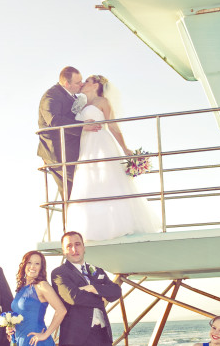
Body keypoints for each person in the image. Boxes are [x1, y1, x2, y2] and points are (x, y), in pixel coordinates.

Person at [66, 75, 161, 241]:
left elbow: (112, 125)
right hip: (85, 146)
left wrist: (124, 148)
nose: (83, 84)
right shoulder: (81, 105)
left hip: (101, 143)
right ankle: (90, 228)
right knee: (89, 182)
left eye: (87, 81)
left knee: (108, 180)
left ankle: (117, 226)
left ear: (96, 85)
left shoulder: (103, 102)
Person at [37, 66, 98, 199]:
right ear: (66, 83)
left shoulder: (72, 96)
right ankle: (71, 219)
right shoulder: (51, 95)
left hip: (71, 150)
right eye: (78, 82)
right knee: (73, 191)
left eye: (82, 81)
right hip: (57, 152)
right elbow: (54, 120)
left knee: (79, 188)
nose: (81, 84)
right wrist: (83, 126)